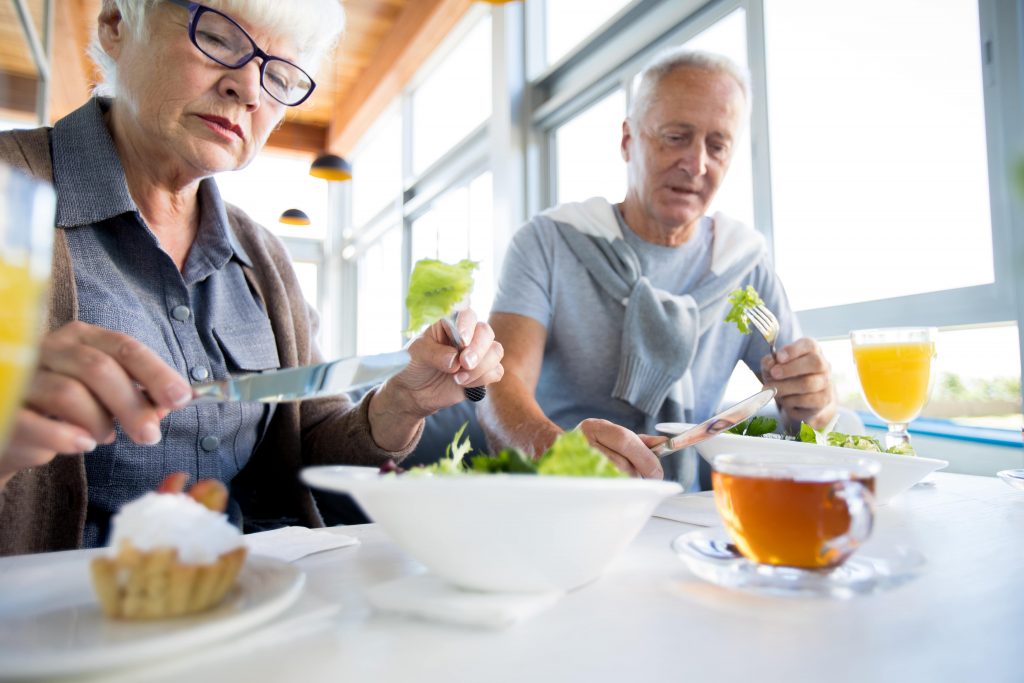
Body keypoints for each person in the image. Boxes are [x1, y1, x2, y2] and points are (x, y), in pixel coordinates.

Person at [0, 0, 503, 555]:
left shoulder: (264, 256)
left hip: (267, 598)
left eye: (280, 76)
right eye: (217, 39)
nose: (249, 89)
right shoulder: (10, 193)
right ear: (117, 24)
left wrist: (404, 402)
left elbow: (311, 441)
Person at [478, 48, 835, 483]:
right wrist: (563, 455)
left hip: (689, 510)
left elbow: (803, 414)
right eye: (676, 136)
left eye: (717, 145)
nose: (696, 163)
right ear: (628, 140)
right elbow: (500, 382)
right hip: (562, 497)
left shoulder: (746, 263)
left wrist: (815, 404)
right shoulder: (548, 242)